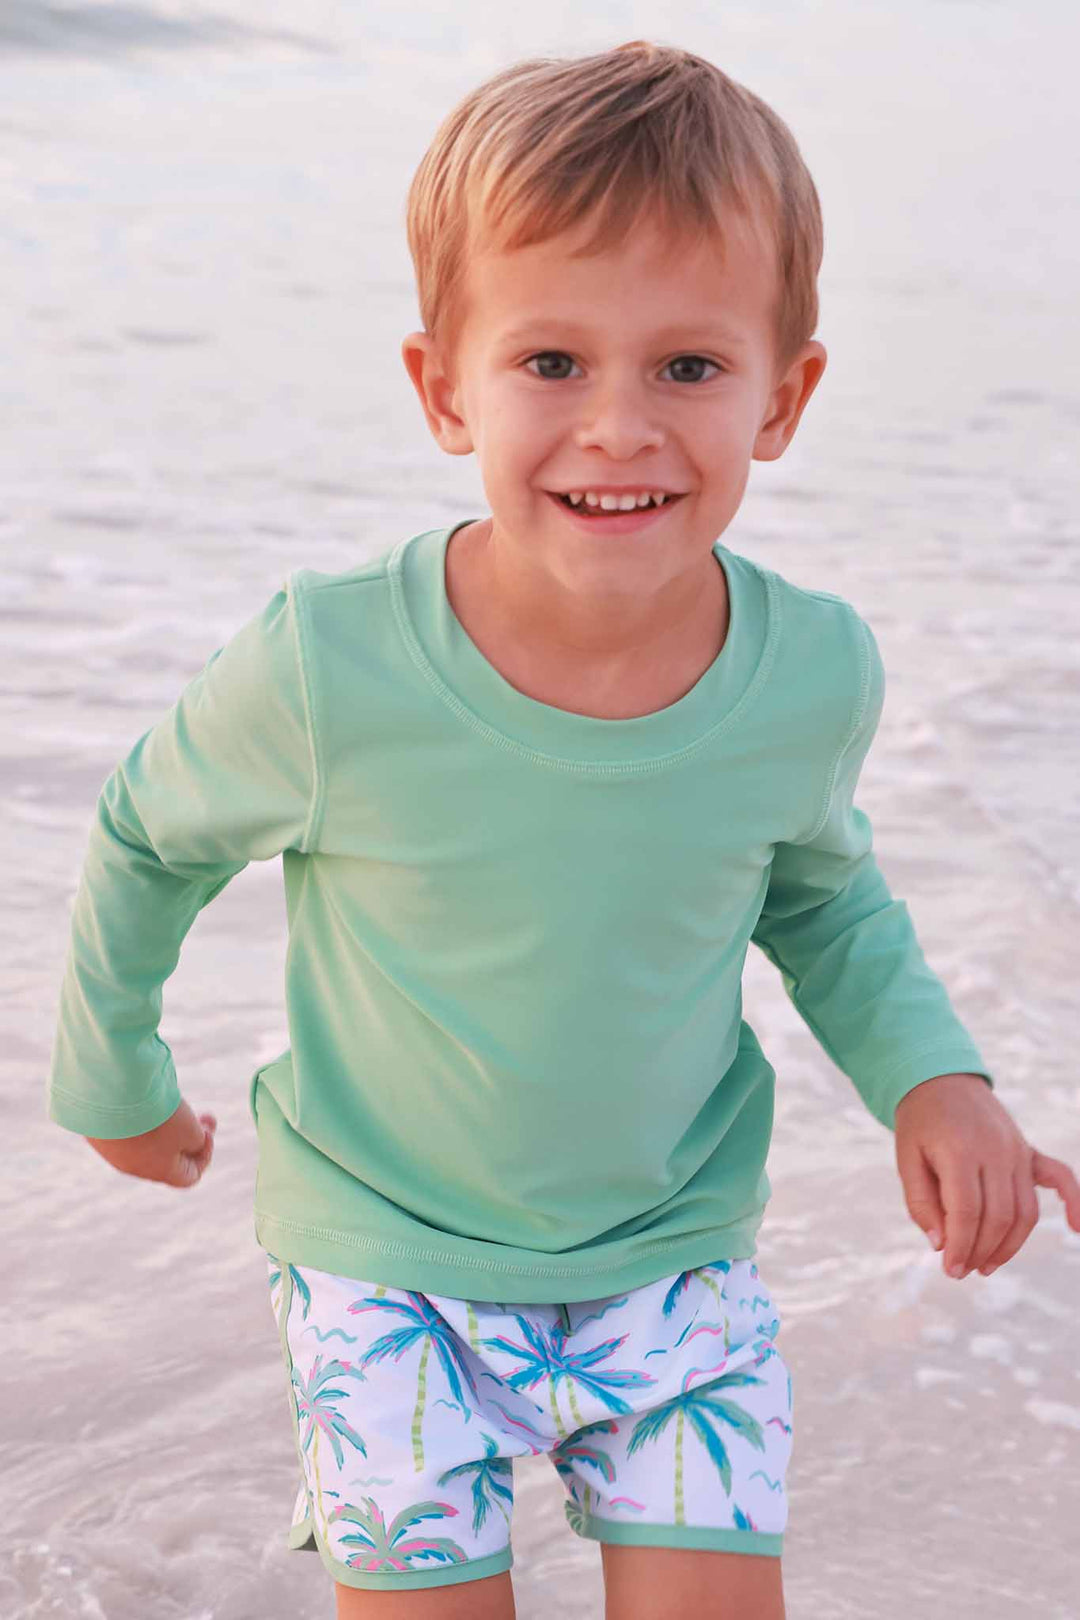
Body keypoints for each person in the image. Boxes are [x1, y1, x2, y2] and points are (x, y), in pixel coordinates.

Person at [47, 39, 1080, 1620]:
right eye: (550, 365)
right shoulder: (333, 665)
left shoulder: (808, 671)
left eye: (688, 367)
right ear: (442, 386)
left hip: (671, 1250)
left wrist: (936, 1081)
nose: (619, 427)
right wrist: (112, 1074)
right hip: (384, 1255)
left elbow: (823, 899)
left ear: (784, 397)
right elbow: (145, 839)